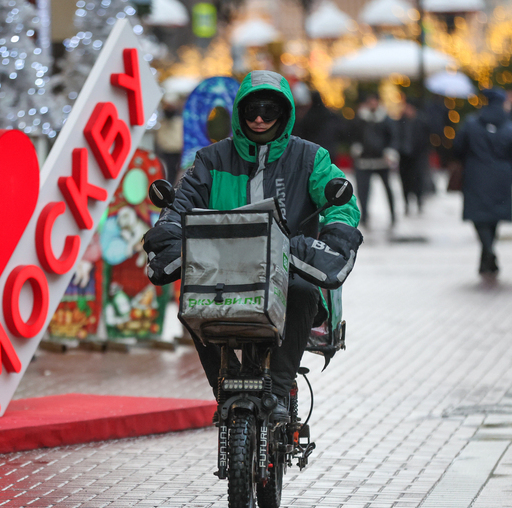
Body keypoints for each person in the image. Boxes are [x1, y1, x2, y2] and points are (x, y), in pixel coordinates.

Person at [142, 70, 363, 417]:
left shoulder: (310, 158)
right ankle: (221, 387)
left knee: (305, 292)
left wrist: (337, 231)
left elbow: (341, 203)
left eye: (269, 110)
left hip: (289, 268)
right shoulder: (210, 160)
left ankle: (277, 388)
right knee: (191, 298)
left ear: (285, 113)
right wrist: (168, 229)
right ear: (238, 113)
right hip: (223, 270)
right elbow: (180, 203)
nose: (259, 118)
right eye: (251, 110)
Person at [453, 89, 512, 276]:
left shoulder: (471, 123)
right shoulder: (510, 127)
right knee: (493, 218)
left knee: (480, 218)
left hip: (476, 175)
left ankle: (488, 253)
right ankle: (488, 255)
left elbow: (457, 147)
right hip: (502, 177)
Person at [348, 93, 397, 228]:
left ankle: (393, 214)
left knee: (388, 188)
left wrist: (390, 151)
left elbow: (393, 137)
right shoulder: (360, 119)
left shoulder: (385, 119)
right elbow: (351, 135)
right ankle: (364, 214)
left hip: (381, 160)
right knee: (363, 190)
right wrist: (356, 147)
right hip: (364, 161)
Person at [395, 98, 432, 215]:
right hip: (404, 157)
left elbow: (426, 139)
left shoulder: (422, 121)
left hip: (418, 156)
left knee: (418, 180)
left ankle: (419, 201)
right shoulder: (400, 121)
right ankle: (406, 202)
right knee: (405, 180)